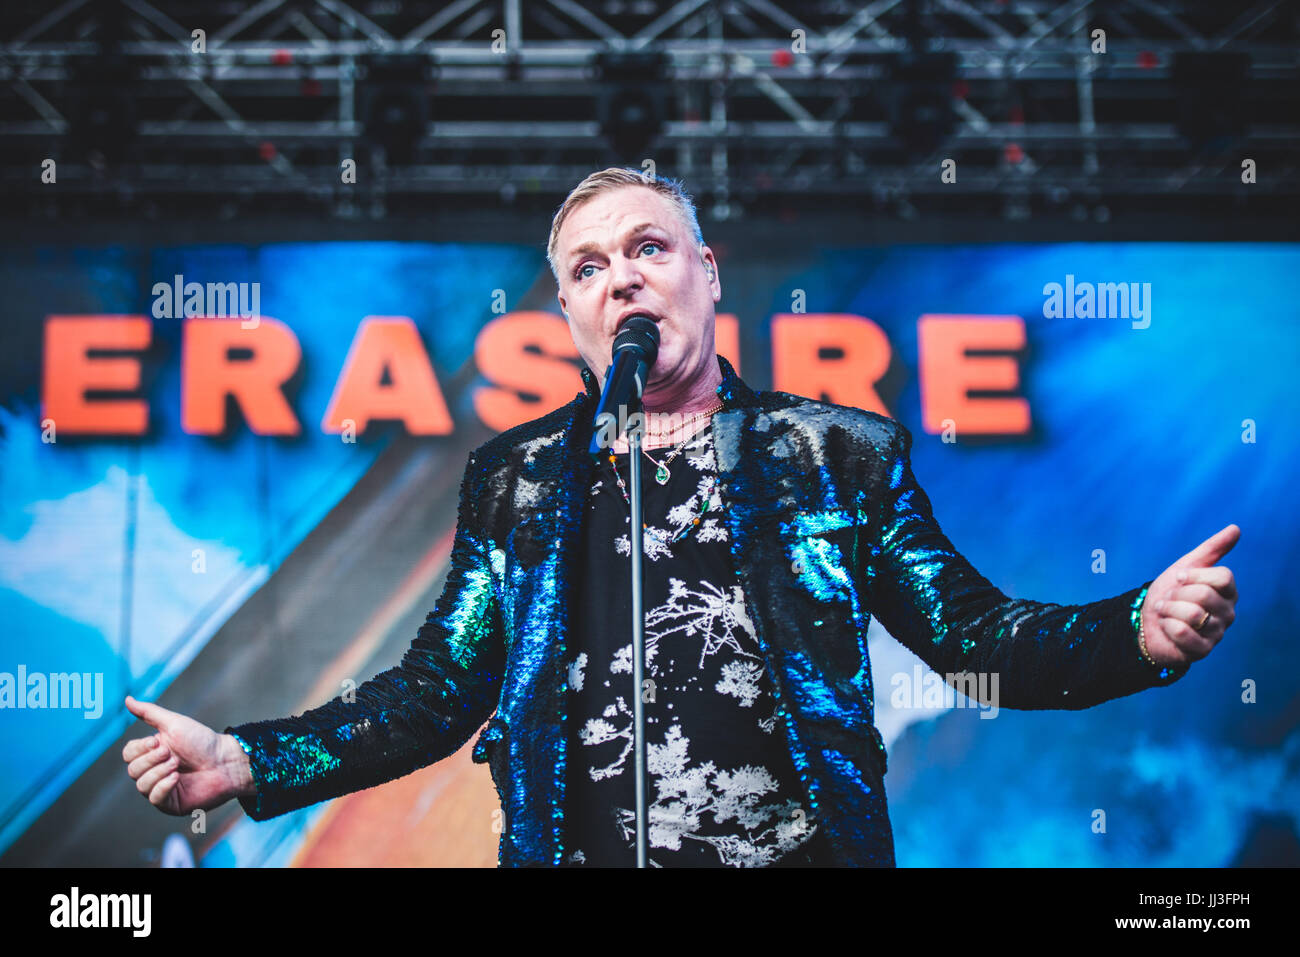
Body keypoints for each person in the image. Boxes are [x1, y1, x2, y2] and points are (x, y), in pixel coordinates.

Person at [123, 167, 1241, 867]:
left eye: (648, 248)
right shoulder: (516, 483)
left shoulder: (832, 454)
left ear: (705, 273)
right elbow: (436, 693)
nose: (622, 278)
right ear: (567, 312)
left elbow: (971, 640)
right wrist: (247, 759)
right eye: (589, 266)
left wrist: (1130, 631)